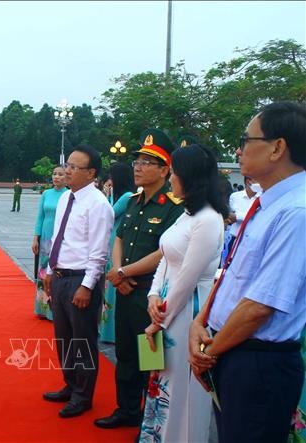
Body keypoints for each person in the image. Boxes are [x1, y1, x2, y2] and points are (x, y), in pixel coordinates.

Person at [189, 101, 306, 443]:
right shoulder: (269, 203)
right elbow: (233, 272)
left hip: (258, 362)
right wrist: (201, 322)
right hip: (231, 349)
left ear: (277, 148)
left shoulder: (296, 212)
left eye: (246, 140)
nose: (238, 151)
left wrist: (208, 354)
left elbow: (261, 305)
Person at [95, 129, 184, 430]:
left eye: (148, 162)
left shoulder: (173, 207)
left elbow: (163, 251)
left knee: (151, 361)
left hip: (149, 296)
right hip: (125, 290)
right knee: (126, 355)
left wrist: (123, 273)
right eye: (137, 161)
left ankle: (150, 422)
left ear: (165, 169)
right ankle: (127, 410)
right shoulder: (132, 201)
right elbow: (118, 237)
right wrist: (120, 274)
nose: (138, 167)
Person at [138, 144, 226, 442]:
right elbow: (165, 256)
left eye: (174, 173)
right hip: (164, 307)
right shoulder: (187, 214)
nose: (171, 178)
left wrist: (158, 320)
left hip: (187, 314)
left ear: (189, 176)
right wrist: (152, 296)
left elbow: (188, 277)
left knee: (182, 392)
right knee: (161, 382)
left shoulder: (209, 220)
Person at [42, 146, 114, 418]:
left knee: (83, 340)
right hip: (60, 276)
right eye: (67, 165)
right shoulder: (65, 199)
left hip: (80, 280)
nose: (68, 171)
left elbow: (99, 252)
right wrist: (50, 270)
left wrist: (87, 285)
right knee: (64, 338)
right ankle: (70, 385)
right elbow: (60, 238)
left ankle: (83, 396)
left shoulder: (98, 204)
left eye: (74, 167)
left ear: (91, 173)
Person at [99, 162, 135, 343]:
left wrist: (107, 196)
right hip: (113, 237)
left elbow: (109, 213)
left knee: (112, 284)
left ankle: (111, 332)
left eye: (112, 177)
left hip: (116, 239)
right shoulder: (123, 195)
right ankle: (106, 329)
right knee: (108, 285)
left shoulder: (127, 195)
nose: (110, 180)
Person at [31, 166, 67, 320]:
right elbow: (40, 217)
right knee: (43, 271)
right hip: (45, 236)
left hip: (60, 238)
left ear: (67, 177)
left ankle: (55, 310)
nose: (56, 177)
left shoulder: (68, 195)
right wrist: (35, 237)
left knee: (56, 271)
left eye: (60, 174)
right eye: (54, 174)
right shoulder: (46, 194)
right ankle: (42, 308)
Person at [224, 176, 260, 255]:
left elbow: (259, 216)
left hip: (253, 242)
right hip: (235, 238)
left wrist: (237, 217)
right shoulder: (235, 196)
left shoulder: (262, 197)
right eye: (258, 179)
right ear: (248, 181)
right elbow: (230, 216)